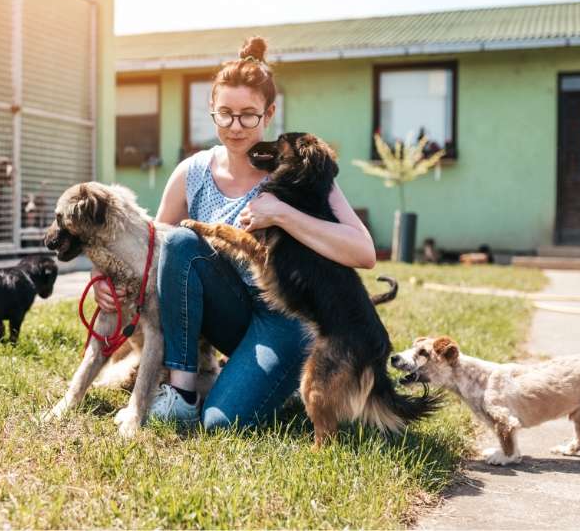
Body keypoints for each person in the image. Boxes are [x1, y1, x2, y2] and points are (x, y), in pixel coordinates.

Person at [93, 36, 376, 429]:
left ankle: (275, 378)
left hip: (285, 319)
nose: (236, 127)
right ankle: (182, 390)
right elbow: (152, 253)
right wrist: (105, 281)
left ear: (269, 113)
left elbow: (364, 251)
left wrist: (282, 213)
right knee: (177, 241)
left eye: (248, 115)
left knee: (221, 423)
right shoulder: (192, 172)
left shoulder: (298, 171)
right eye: (225, 114)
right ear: (211, 110)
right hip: (224, 312)